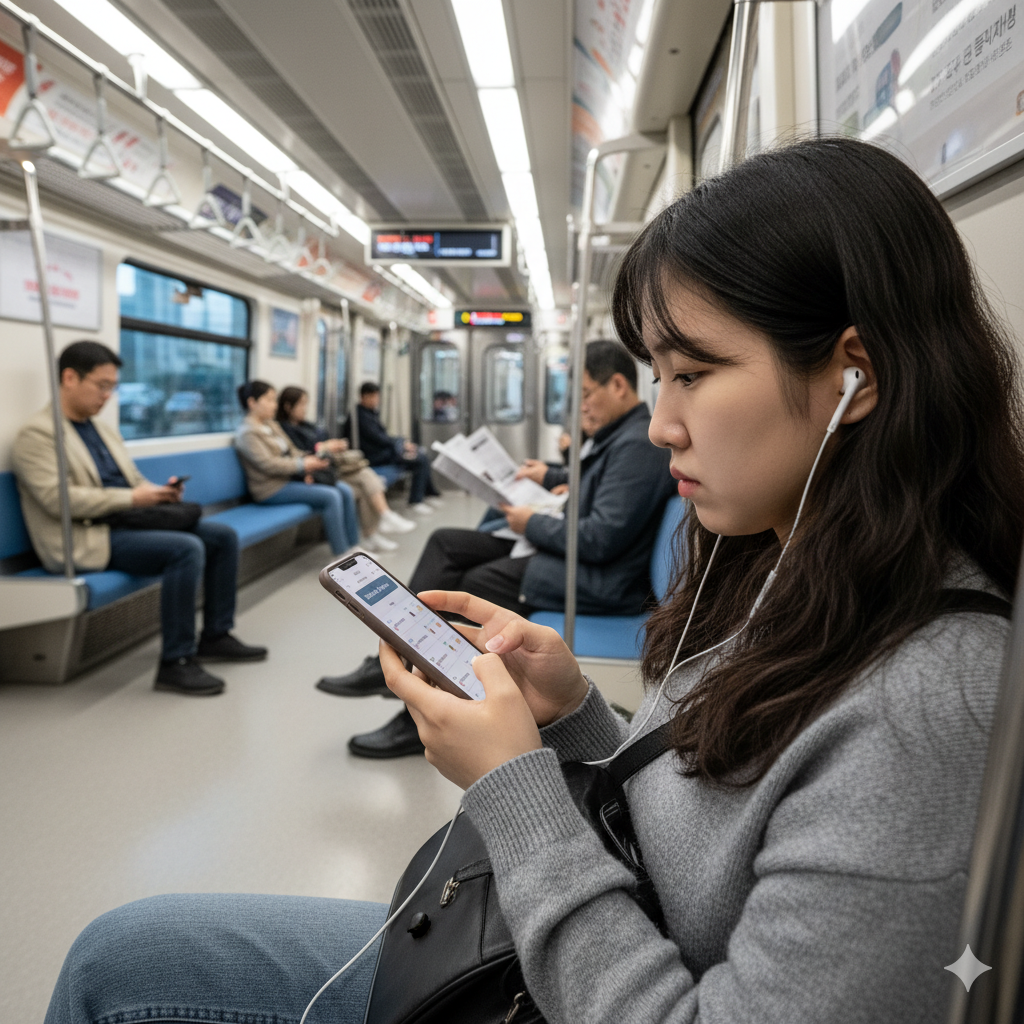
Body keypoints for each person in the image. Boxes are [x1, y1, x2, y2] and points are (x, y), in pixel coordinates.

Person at [43, 138, 1024, 1024]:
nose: (665, 421)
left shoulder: (925, 710)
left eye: (694, 373)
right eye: (654, 378)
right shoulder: (793, 569)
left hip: (566, 975)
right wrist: (574, 719)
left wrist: (514, 784)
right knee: (121, 948)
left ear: (856, 373)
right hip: (572, 940)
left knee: (117, 971)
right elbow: (701, 815)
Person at [320, 340, 677, 758]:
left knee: (474, 582)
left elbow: (599, 538)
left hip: (599, 580)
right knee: (448, 544)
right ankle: (405, 662)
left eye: (584, 396)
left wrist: (531, 522)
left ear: (617, 385)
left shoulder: (636, 444)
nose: (581, 409)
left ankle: (420, 705)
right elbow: (601, 488)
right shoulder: (618, 435)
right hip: (575, 557)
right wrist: (552, 476)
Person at [12, 341, 267, 697]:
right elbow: (59, 500)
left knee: (221, 536)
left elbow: (131, 478)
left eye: (111, 388)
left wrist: (158, 492)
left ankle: (215, 635)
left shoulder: (101, 430)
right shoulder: (38, 435)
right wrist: (134, 498)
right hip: (87, 536)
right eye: (101, 386)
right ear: (69, 378)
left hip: (129, 522)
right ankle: (174, 663)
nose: (107, 396)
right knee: (186, 548)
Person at [275, 385, 416, 554]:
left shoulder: (308, 426)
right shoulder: (283, 430)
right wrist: (323, 447)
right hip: (314, 474)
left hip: (327, 469)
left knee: (365, 481)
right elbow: (298, 455)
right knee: (358, 483)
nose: (305, 409)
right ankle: (359, 538)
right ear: (288, 406)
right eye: (302, 404)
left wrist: (329, 447)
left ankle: (369, 536)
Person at [234, 381, 359, 556]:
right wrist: (302, 465)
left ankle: (354, 545)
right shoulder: (247, 433)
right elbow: (268, 464)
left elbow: (292, 450)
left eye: (274, 400)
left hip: (290, 480)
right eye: (269, 400)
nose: (274, 405)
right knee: (331, 496)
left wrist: (309, 463)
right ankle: (342, 554)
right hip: (271, 489)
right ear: (252, 403)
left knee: (344, 489)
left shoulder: (270, 425)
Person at [344, 381, 442, 515]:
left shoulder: (370, 413)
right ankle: (416, 501)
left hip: (382, 452)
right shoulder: (359, 416)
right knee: (420, 459)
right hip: (374, 456)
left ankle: (428, 494)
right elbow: (380, 439)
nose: (376, 400)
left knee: (420, 453)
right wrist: (401, 445)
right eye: (374, 397)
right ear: (364, 397)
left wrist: (401, 443)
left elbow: (384, 437)